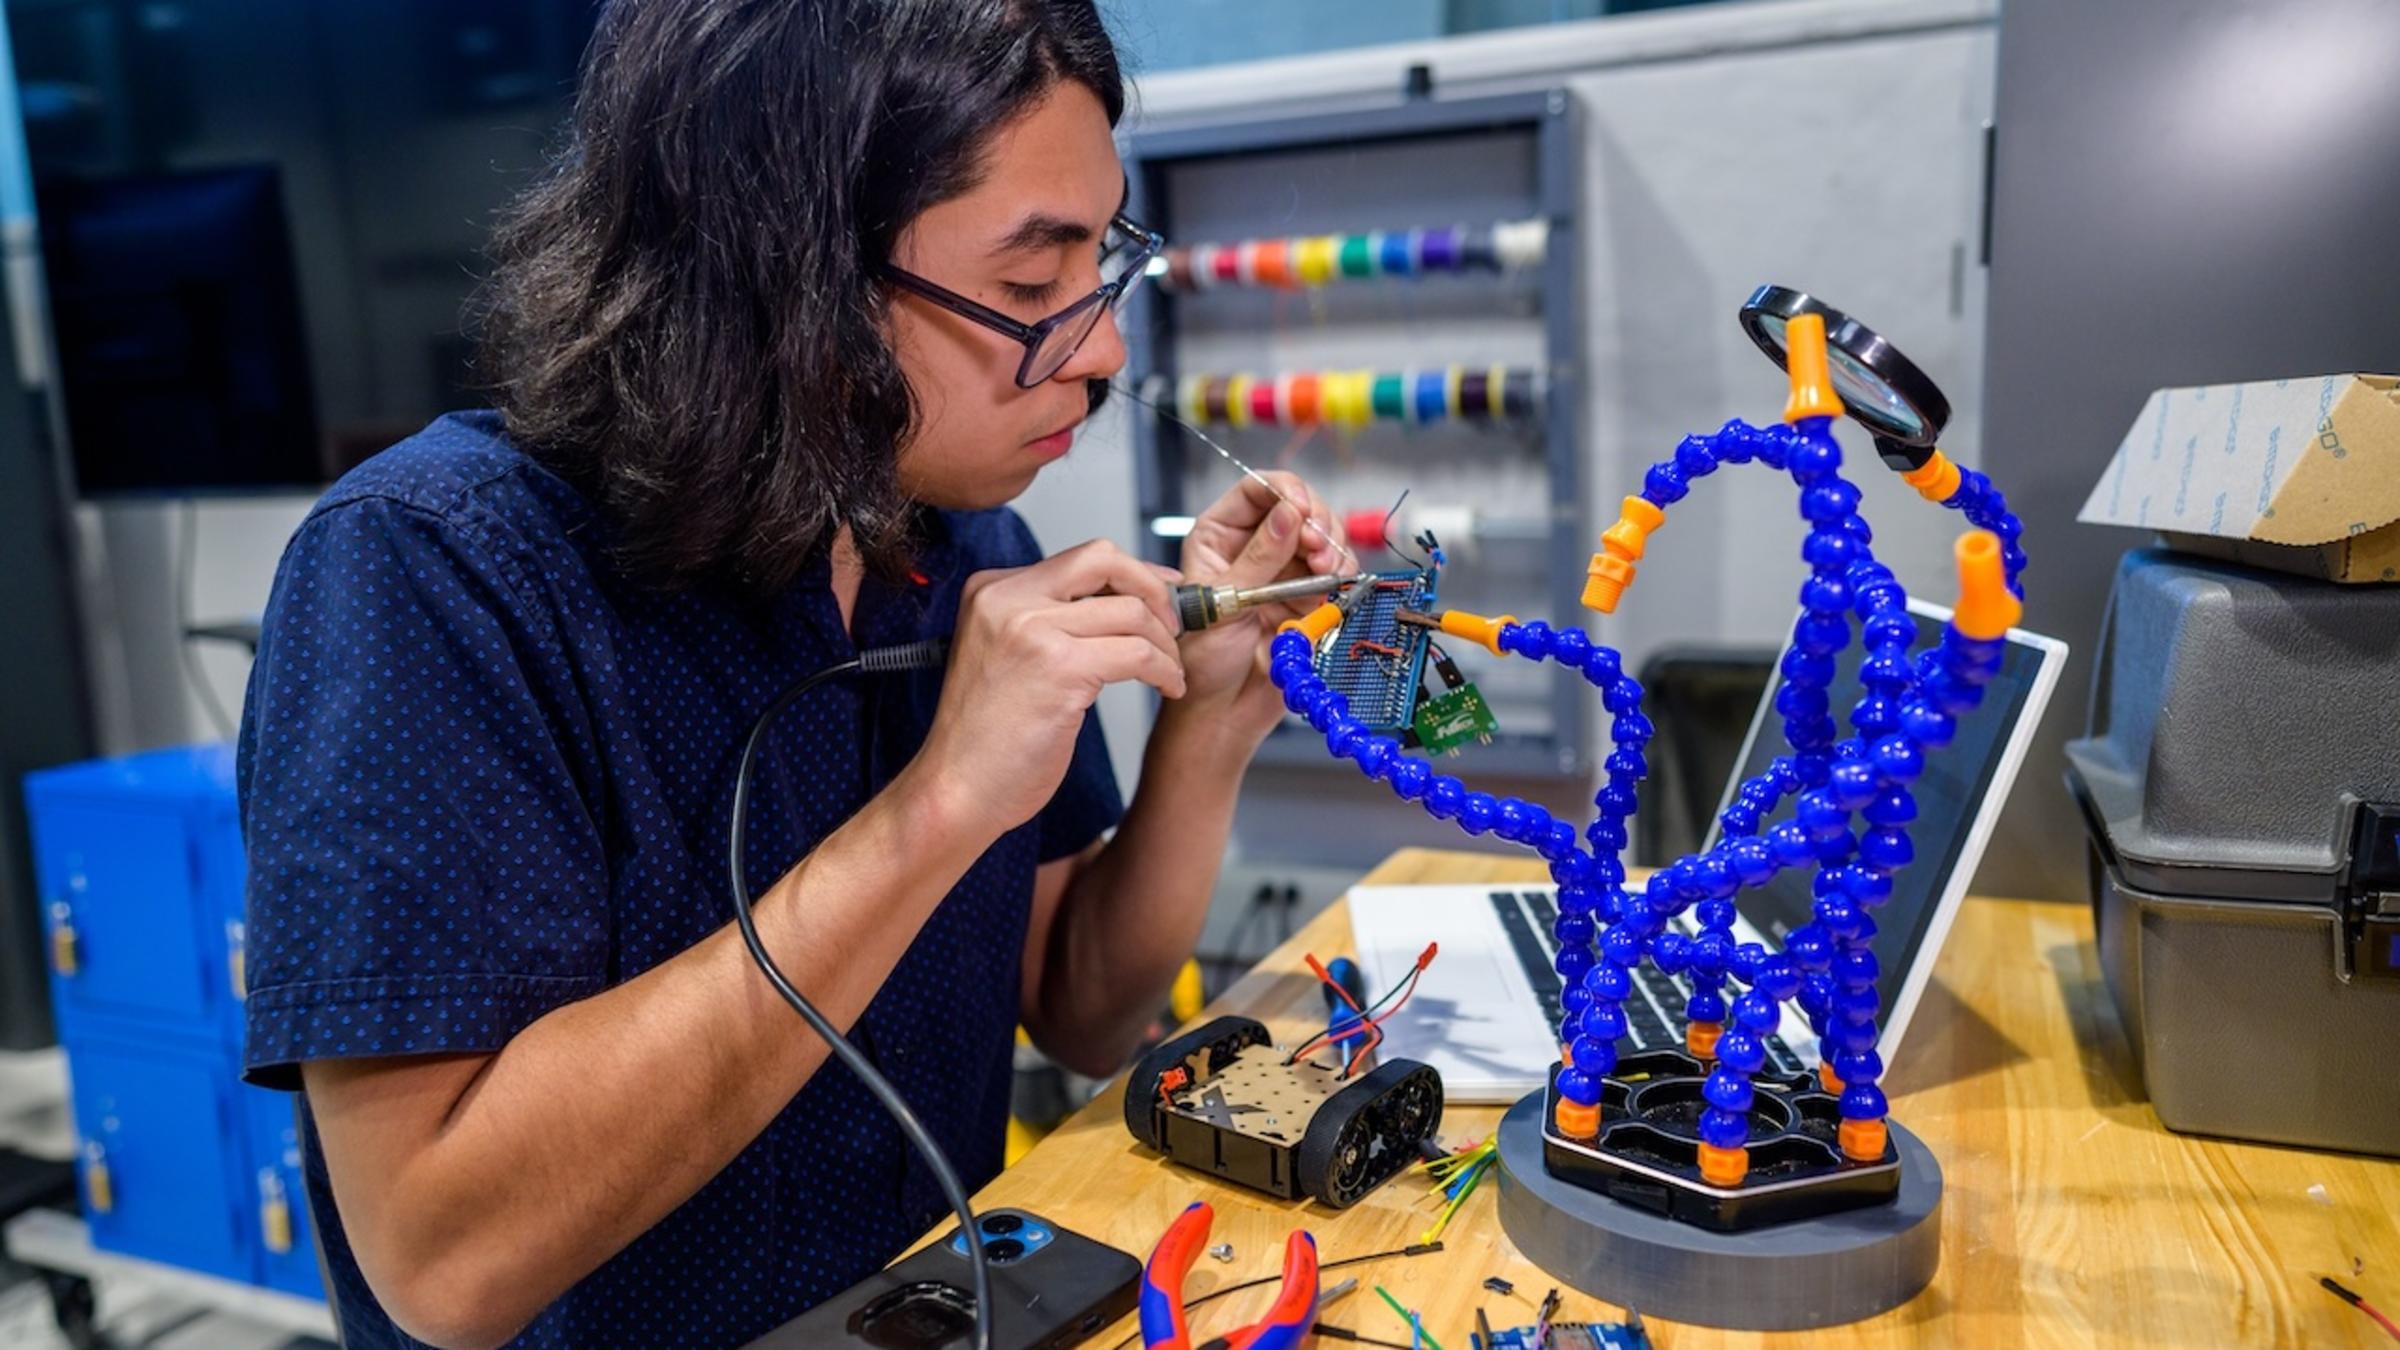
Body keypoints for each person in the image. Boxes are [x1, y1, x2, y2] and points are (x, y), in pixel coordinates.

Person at [235, 3, 1339, 1346]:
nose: (1102, 351)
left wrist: (1211, 721)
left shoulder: (964, 543)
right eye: (1031, 288)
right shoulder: (437, 573)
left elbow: (1089, 1004)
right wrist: (935, 807)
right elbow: (443, 1258)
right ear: (787, 276)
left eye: (1099, 265)